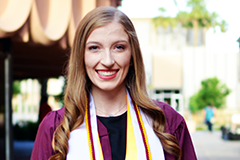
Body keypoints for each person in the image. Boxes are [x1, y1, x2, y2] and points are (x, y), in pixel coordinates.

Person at [31, 6, 197, 160]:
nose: (108, 61)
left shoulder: (166, 123)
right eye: (94, 48)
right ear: (81, 57)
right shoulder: (57, 129)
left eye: (119, 47)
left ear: (132, 56)